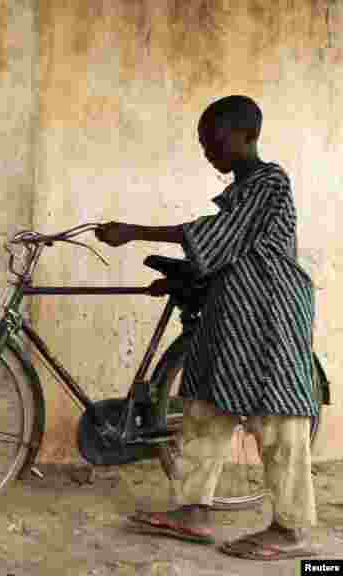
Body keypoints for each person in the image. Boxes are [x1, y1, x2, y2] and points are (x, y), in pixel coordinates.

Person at [94, 95, 319, 561]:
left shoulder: (270, 182)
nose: (206, 149)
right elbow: (228, 252)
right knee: (205, 411)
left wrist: (133, 231)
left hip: (268, 320)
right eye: (202, 141)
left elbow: (218, 235)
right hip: (231, 323)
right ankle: (192, 511)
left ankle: (292, 530)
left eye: (213, 138)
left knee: (278, 425)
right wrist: (176, 278)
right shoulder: (243, 191)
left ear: (246, 136)